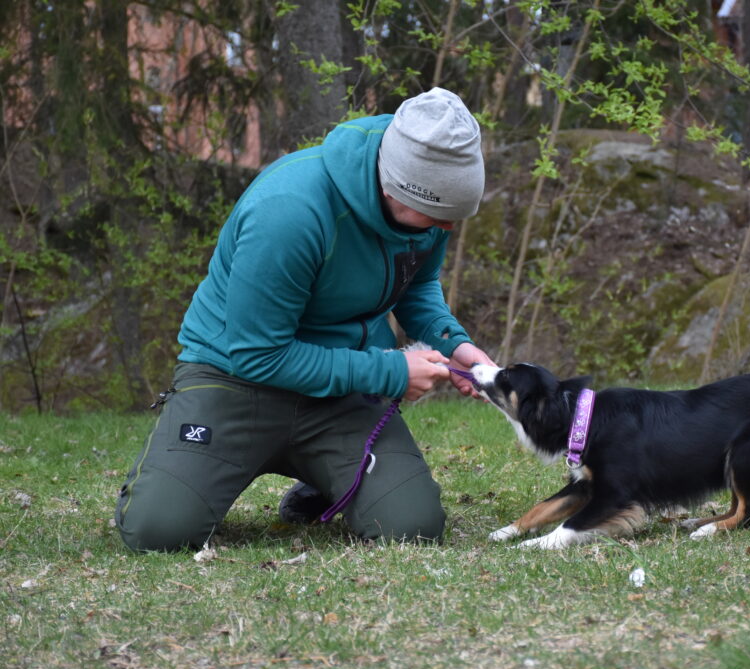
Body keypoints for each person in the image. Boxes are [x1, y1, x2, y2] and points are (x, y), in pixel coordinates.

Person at [115, 87, 494, 552]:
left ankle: (324, 480)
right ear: (394, 185)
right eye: (439, 213)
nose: (448, 227)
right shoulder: (289, 210)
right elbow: (257, 355)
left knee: (412, 527)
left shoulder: (427, 216)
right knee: (158, 531)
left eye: (454, 216)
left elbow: (416, 287)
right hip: (235, 382)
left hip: (341, 391)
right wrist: (392, 371)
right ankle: (173, 474)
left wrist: (456, 345)